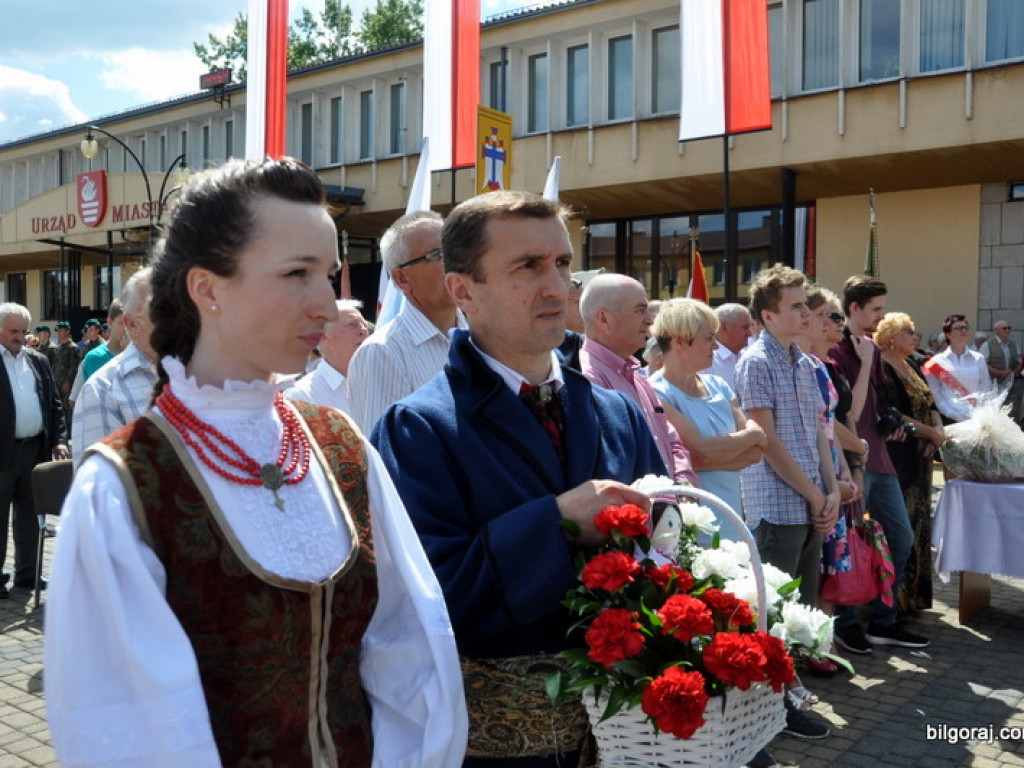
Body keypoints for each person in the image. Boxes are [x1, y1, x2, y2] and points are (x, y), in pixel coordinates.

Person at [45, 158, 467, 768]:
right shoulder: (122, 485)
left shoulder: (341, 445)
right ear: (207, 288)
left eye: (329, 274)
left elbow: (408, 652)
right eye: (298, 273)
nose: (327, 304)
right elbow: (125, 727)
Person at [372, 190, 665, 768]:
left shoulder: (616, 412)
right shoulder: (417, 429)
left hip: (625, 733)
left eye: (561, 264)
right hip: (495, 748)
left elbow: (666, 549)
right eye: (528, 266)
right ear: (463, 291)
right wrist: (555, 524)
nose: (557, 287)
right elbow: (423, 606)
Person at [733, 266, 837, 741]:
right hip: (778, 505)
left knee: (801, 609)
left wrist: (831, 487)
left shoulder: (803, 362)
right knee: (775, 612)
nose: (804, 311)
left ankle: (786, 699)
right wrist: (816, 493)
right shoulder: (757, 362)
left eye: (804, 304)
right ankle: (772, 708)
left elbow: (817, 431)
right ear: (768, 315)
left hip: (810, 500)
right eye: (794, 306)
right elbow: (767, 442)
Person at [829, 275, 929, 653]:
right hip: (853, 459)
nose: (880, 317)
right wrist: (868, 360)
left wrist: (895, 424)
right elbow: (846, 410)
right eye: (876, 310)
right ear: (854, 308)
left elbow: (877, 402)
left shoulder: (869, 346)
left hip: (881, 457)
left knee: (900, 540)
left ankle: (883, 621)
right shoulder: (837, 349)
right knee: (850, 545)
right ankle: (847, 622)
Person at [346, 210, 465, 433]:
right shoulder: (382, 353)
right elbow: (385, 456)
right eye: (439, 255)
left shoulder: (482, 338)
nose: (456, 264)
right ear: (402, 278)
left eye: (456, 251)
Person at [649, 298, 766, 521]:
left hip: (734, 522)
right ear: (679, 342)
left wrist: (708, 458)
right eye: (709, 338)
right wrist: (751, 434)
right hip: (695, 529)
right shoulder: (655, 393)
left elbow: (756, 452)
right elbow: (701, 453)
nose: (715, 345)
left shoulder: (718, 385)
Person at [578, 273, 697, 486]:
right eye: (640, 310)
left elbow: (672, 441)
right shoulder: (587, 378)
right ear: (603, 319)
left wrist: (684, 487)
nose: (650, 320)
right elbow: (610, 465)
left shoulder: (636, 376)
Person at [875, 312, 945, 613]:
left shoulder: (913, 363)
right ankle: (894, 600)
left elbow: (929, 403)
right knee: (900, 525)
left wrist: (935, 434)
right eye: (909, 331)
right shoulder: (883, 369)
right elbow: (891, 412)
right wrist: (931, 433)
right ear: (891, 337)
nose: (915, 337)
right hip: (899, 456)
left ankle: (913, 596)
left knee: (919, 524)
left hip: (922, 456)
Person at [0, 302, 69, 599]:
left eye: (24, 331)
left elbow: (54, 403)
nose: (20, 336)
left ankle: (27, 576)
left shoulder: (38, 360)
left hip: (34, 450)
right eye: (13, 331)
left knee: (30, 516)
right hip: (2, 454)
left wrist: (60, 439)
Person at [71, 269, 159, 465]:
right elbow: (97, 489)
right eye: (162, 310)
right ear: (132, 324)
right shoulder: (101, 390)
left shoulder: (206, 374)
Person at [285, 298, 369, 413]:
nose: (363, 330)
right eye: (352, 325)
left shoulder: (380, 380)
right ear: (322, 337)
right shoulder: (302, 396)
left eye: (364, 324)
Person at [922, 314, 990, 424]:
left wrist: (979, 411)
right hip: (949, 419)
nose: (963, 330)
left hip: (977, 417)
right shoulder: (936, 362)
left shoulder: (978, 358)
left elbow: (985, 387)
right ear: (948, 334)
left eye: (965, 327)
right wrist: (954, 414)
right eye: (958, 328)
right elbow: (936, 394)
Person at [978, 319, 1022, 423]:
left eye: (1009, 328)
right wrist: (998, 373)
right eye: (1004, 328)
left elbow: (1019, 362)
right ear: (996, 331)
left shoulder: (1014, 344)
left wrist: (1012, 371)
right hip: (994, 383)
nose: (1007, 330)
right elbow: (982, 364)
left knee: (1013, 407)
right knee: (996, 406)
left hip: (1012, 382)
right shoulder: (988, 345)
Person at [704, 302, 755, 391]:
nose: (750, 333)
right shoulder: (705, 362)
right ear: (724, 327)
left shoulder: (749, 358)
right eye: (745, 327)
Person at [79, 297, 129, 382]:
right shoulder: (94, 358)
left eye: (131, 323)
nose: (126, 328)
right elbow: (78, 394)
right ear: (110, 322)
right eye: (121, 323)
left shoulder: (141, 358)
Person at [50, 320, 81, 420]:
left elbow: (74, 367)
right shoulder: (58, 348)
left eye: (61, 331)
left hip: (67, 384)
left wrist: (68, 381)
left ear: (68, 332)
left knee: (68, 409)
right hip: (57, 382)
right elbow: (54, 365)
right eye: (58, 331)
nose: (58, 333)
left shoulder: (73, 348)